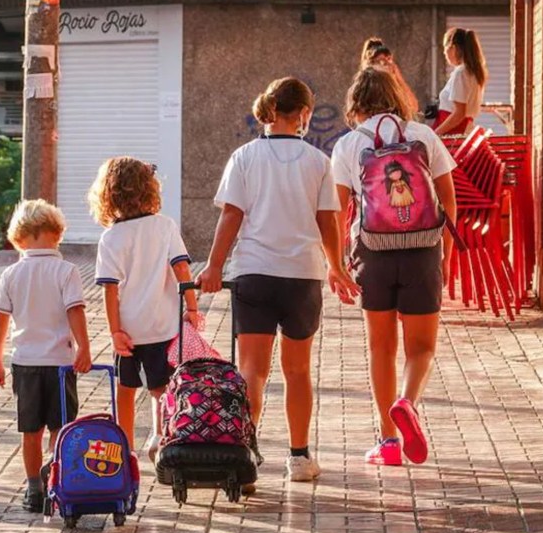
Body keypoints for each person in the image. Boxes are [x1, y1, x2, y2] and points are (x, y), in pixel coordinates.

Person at [196, 78, 358, 483]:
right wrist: (336, 267)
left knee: (253, 370)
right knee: (298, 371)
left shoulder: (245, 156)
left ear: (270, 111)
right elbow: (328, 220)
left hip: (253, 273)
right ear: (304, 114)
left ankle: (244, 454)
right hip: (302, 277)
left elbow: (230, 216)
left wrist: (214, 267)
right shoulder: (318, 161)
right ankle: (299, 457)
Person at [331, 67, 458, 467]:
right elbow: (449, 203)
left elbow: (336, 211)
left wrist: (336, 263)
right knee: (422, 347)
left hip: (373, 253)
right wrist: (447, 254)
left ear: (357, 103)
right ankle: (407, 401)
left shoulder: (349, 145)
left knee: (380, 347)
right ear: (397, 96)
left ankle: (388, 441)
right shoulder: (423, 136)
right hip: (422, 250)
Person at [88, 157, 197, 461]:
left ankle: (125, 450)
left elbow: (110, 290)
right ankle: (160, 436)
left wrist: (114, 331)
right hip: (164, 324)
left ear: (108, 194)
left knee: (125, 389)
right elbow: (182, 268)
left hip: (129, 329)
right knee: (161, 388)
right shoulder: (164, 226)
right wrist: (192, 307)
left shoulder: (110, 238)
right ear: (149, 188)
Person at [0, 200, 92, 513]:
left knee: (29, 431)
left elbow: (1, 320)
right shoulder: (66, 270)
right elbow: (75, 311)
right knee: (60, 428)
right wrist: (84, 347)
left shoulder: (12, 273)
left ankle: (33, 488)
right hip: (61, 364)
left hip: (25, 364)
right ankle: (55, 475)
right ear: (57, 235)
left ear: (19, 239)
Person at [434, 27, 487, 135]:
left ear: (453, 48)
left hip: (453, 132)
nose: (444, 53)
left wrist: (436, 133)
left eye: (445, 48)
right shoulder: (472, 72)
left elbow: (459, 113)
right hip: (462, 130)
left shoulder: (461, 73)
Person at [360, 36, 419, 117]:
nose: (386, 65)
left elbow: (414, 107)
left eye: (388, 60)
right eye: (380, 61)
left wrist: (398, 76)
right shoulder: (364, 87)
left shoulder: (393, 84)